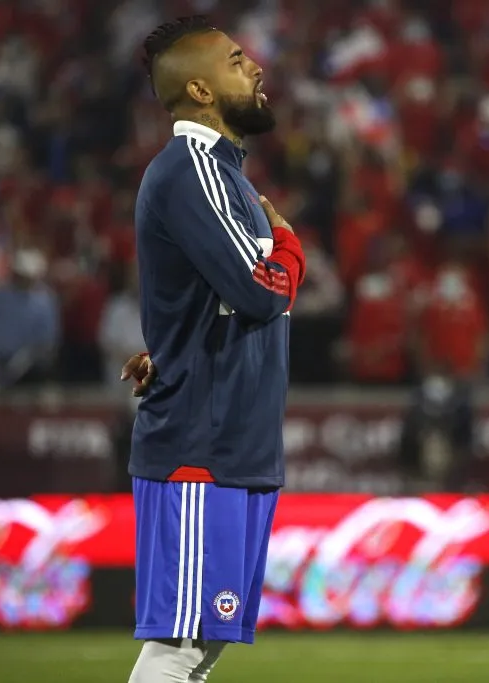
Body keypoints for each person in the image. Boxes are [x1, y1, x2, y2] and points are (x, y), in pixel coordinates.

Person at [121, 16, 306, 683]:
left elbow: (209, 304)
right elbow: (261, 292)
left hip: (232, 443)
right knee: (179, 649)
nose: (254, 66)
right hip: (202, 444)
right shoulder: (194, 169)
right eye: (235, 60)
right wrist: (290, 248)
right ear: (200, 89)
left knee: (201, 649)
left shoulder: (220, 173)